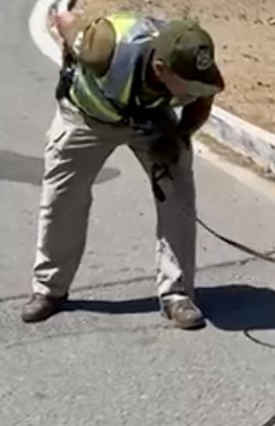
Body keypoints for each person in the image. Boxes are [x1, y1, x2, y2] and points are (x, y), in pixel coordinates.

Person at [20, 9, 225, 329]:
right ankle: (49, 290)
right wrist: (69, 46)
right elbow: (65, 22)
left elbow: (202, 101)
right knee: (62, 199)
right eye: (186, 85)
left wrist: (177, 136)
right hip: (86, 118)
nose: (192, 91)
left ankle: (177, 295)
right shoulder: (102, 47)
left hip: (151, 124)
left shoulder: (193, 66)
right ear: (160, 68)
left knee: (179, 191)